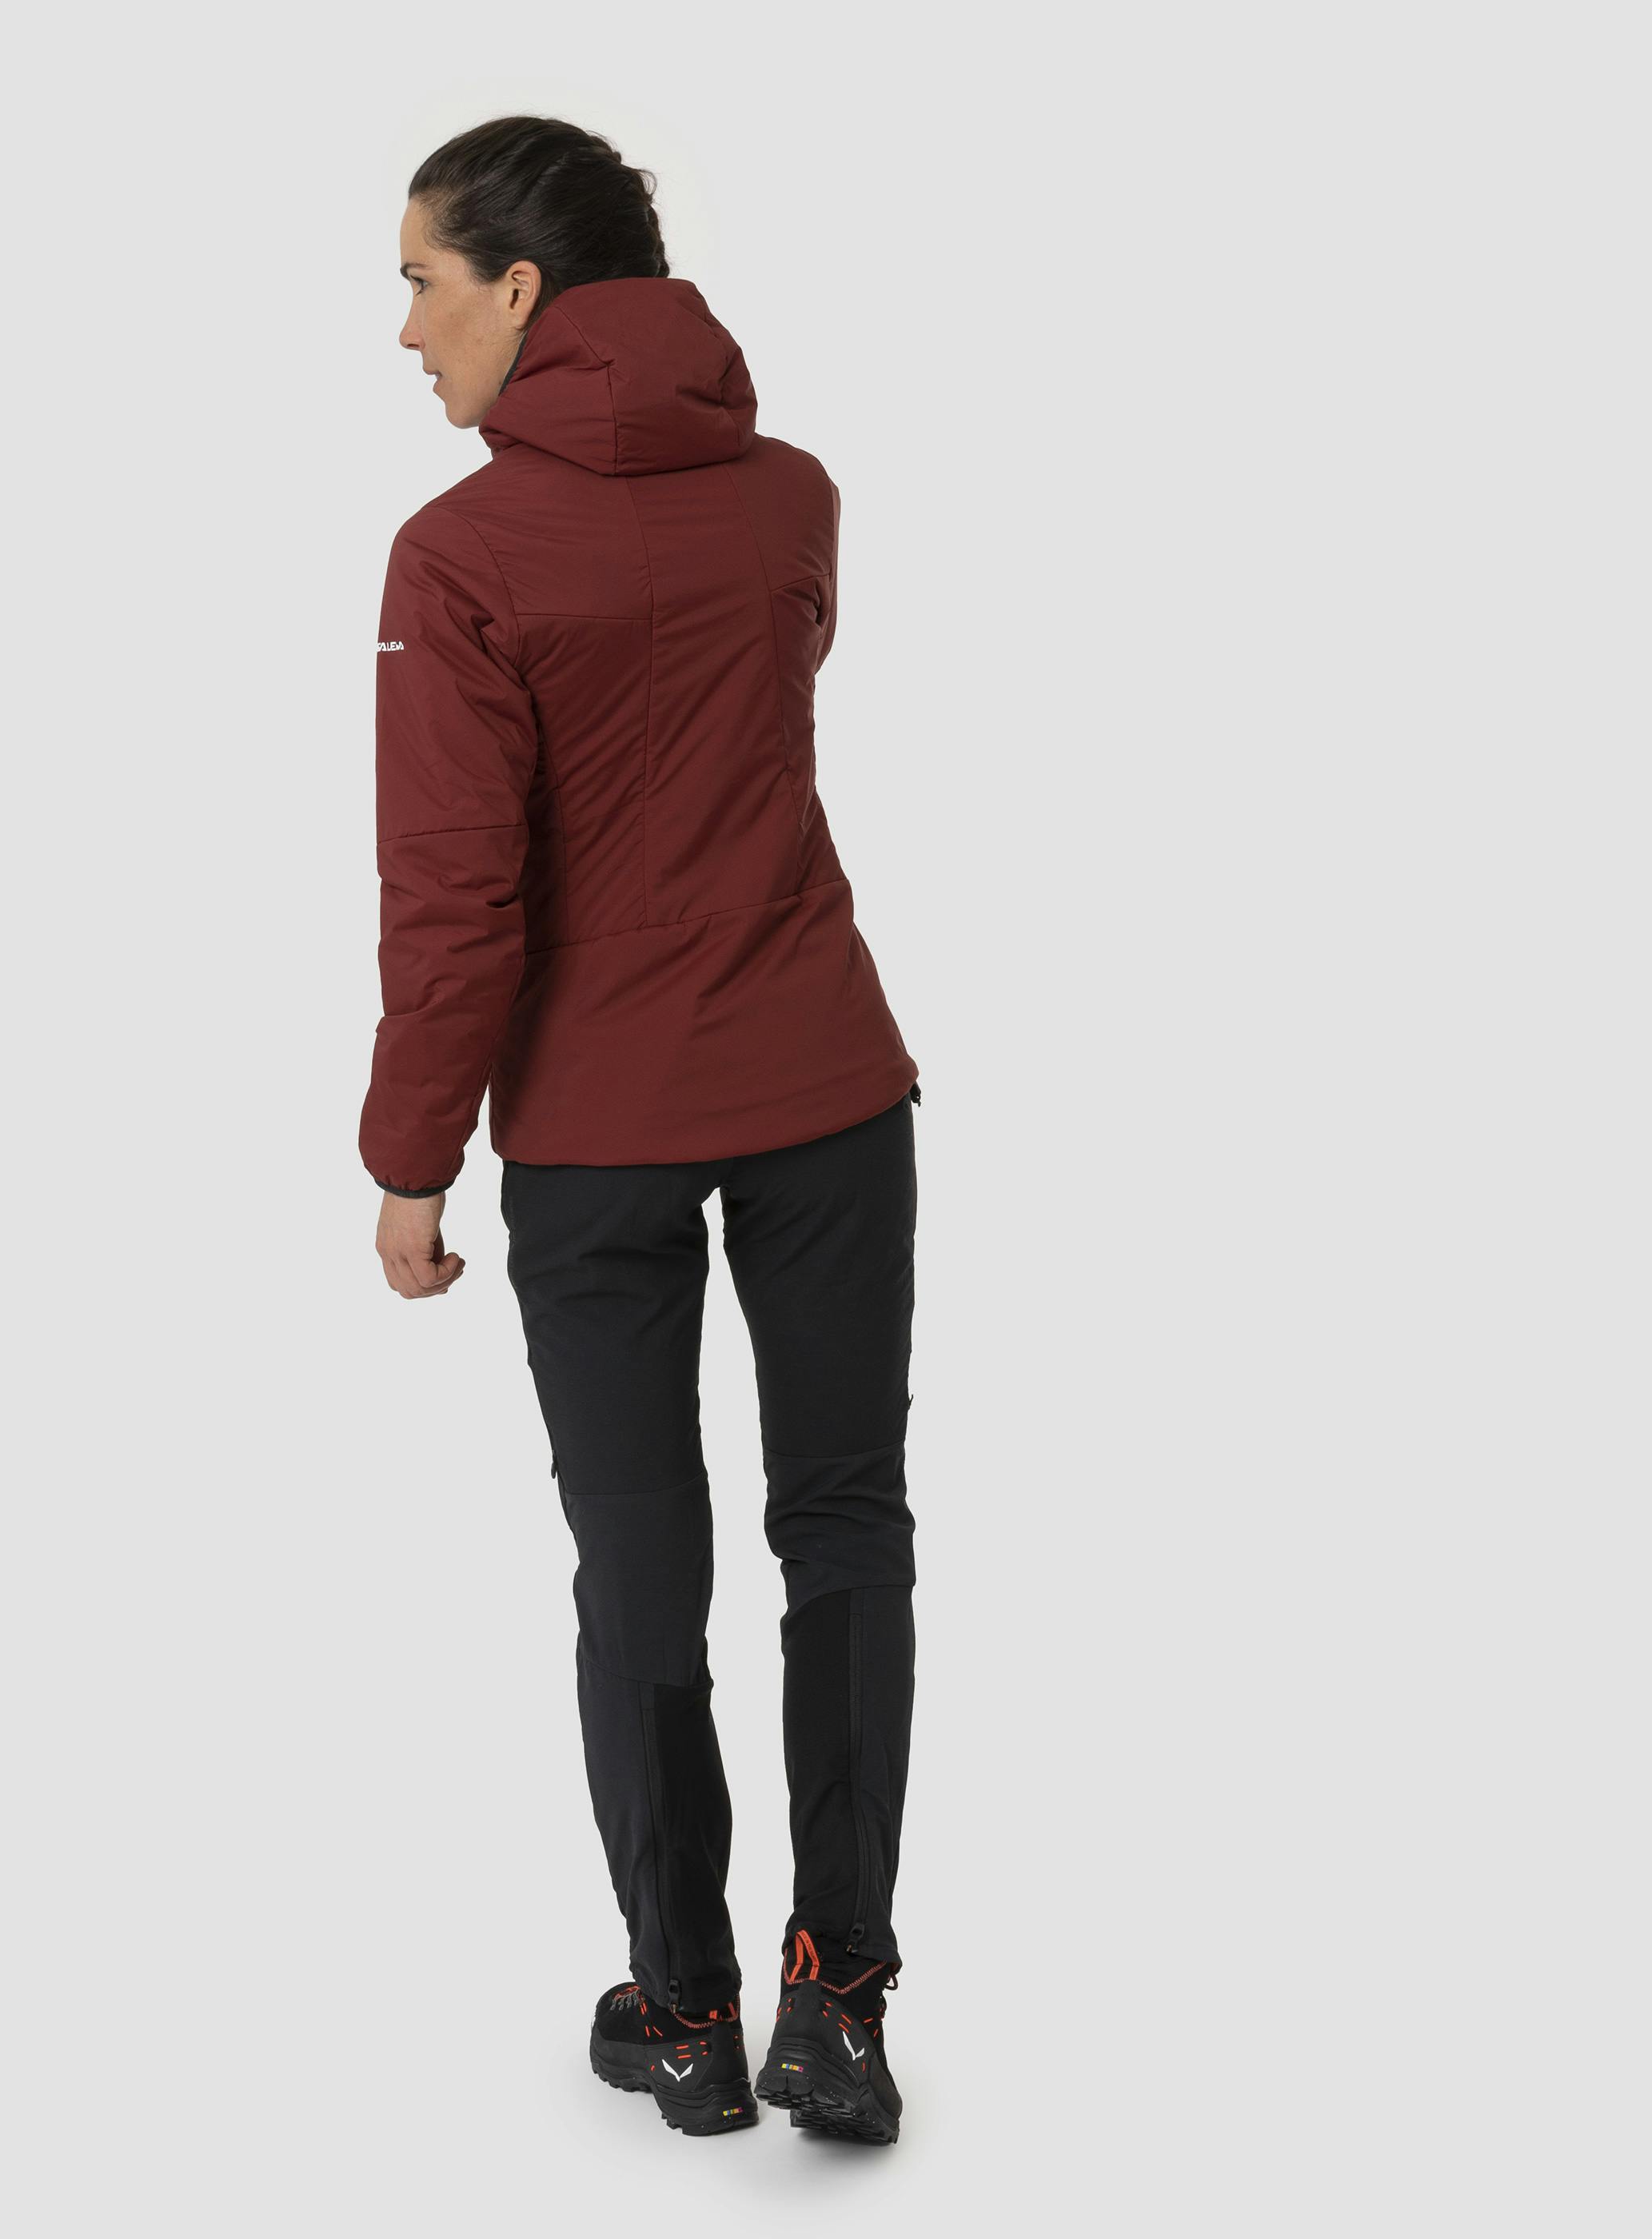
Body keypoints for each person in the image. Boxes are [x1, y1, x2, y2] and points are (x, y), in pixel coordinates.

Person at [362, 115, 920, 2146]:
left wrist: (408, 1153)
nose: (404, 330)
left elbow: (458, 894)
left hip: (596, 1124)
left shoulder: (460, 553)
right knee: (843, 1525)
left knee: (639, 1556)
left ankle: (683, 2009)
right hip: (826, 1085)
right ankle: (835, 2004)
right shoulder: (791, 495)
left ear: (520, 288)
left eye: (422, 283)